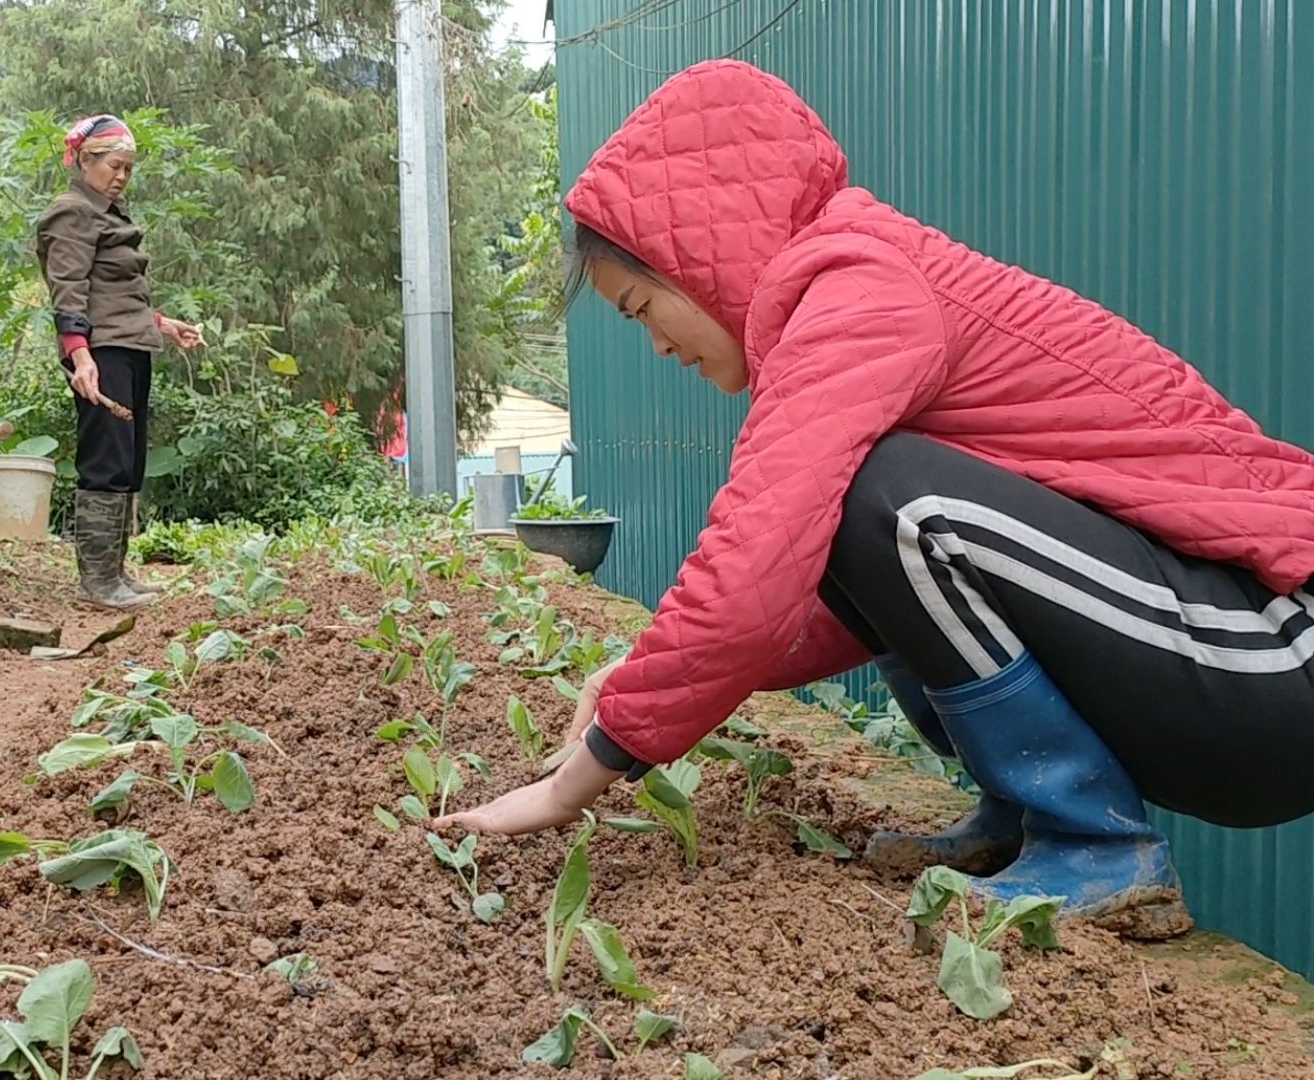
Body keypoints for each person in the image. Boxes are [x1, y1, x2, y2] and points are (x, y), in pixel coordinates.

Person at [435, 59, 1314, 941]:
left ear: (700, 255)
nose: (658, 345)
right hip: (1224, 660)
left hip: (1276, 656)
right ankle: (1021, 821)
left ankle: (1093, 843)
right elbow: (843, 606)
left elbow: (750, 578)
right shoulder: (856, 288)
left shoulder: (863, 291)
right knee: (858, 521)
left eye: (641, 307)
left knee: (878, 493)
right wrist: (638, 684)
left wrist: (572, 781)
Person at [36, 113, 204, 609]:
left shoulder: (109, 213)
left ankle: (114, 572)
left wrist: (162, 323)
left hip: (128, 345)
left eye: (128, 167)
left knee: (128, 462)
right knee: (106, 462)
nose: (122, 176)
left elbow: (115, 292)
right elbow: (69, 290)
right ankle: (97, 583)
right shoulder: (70, 213)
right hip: (100, 352)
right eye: (114, 165)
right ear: (84, 160)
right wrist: (80, 358)